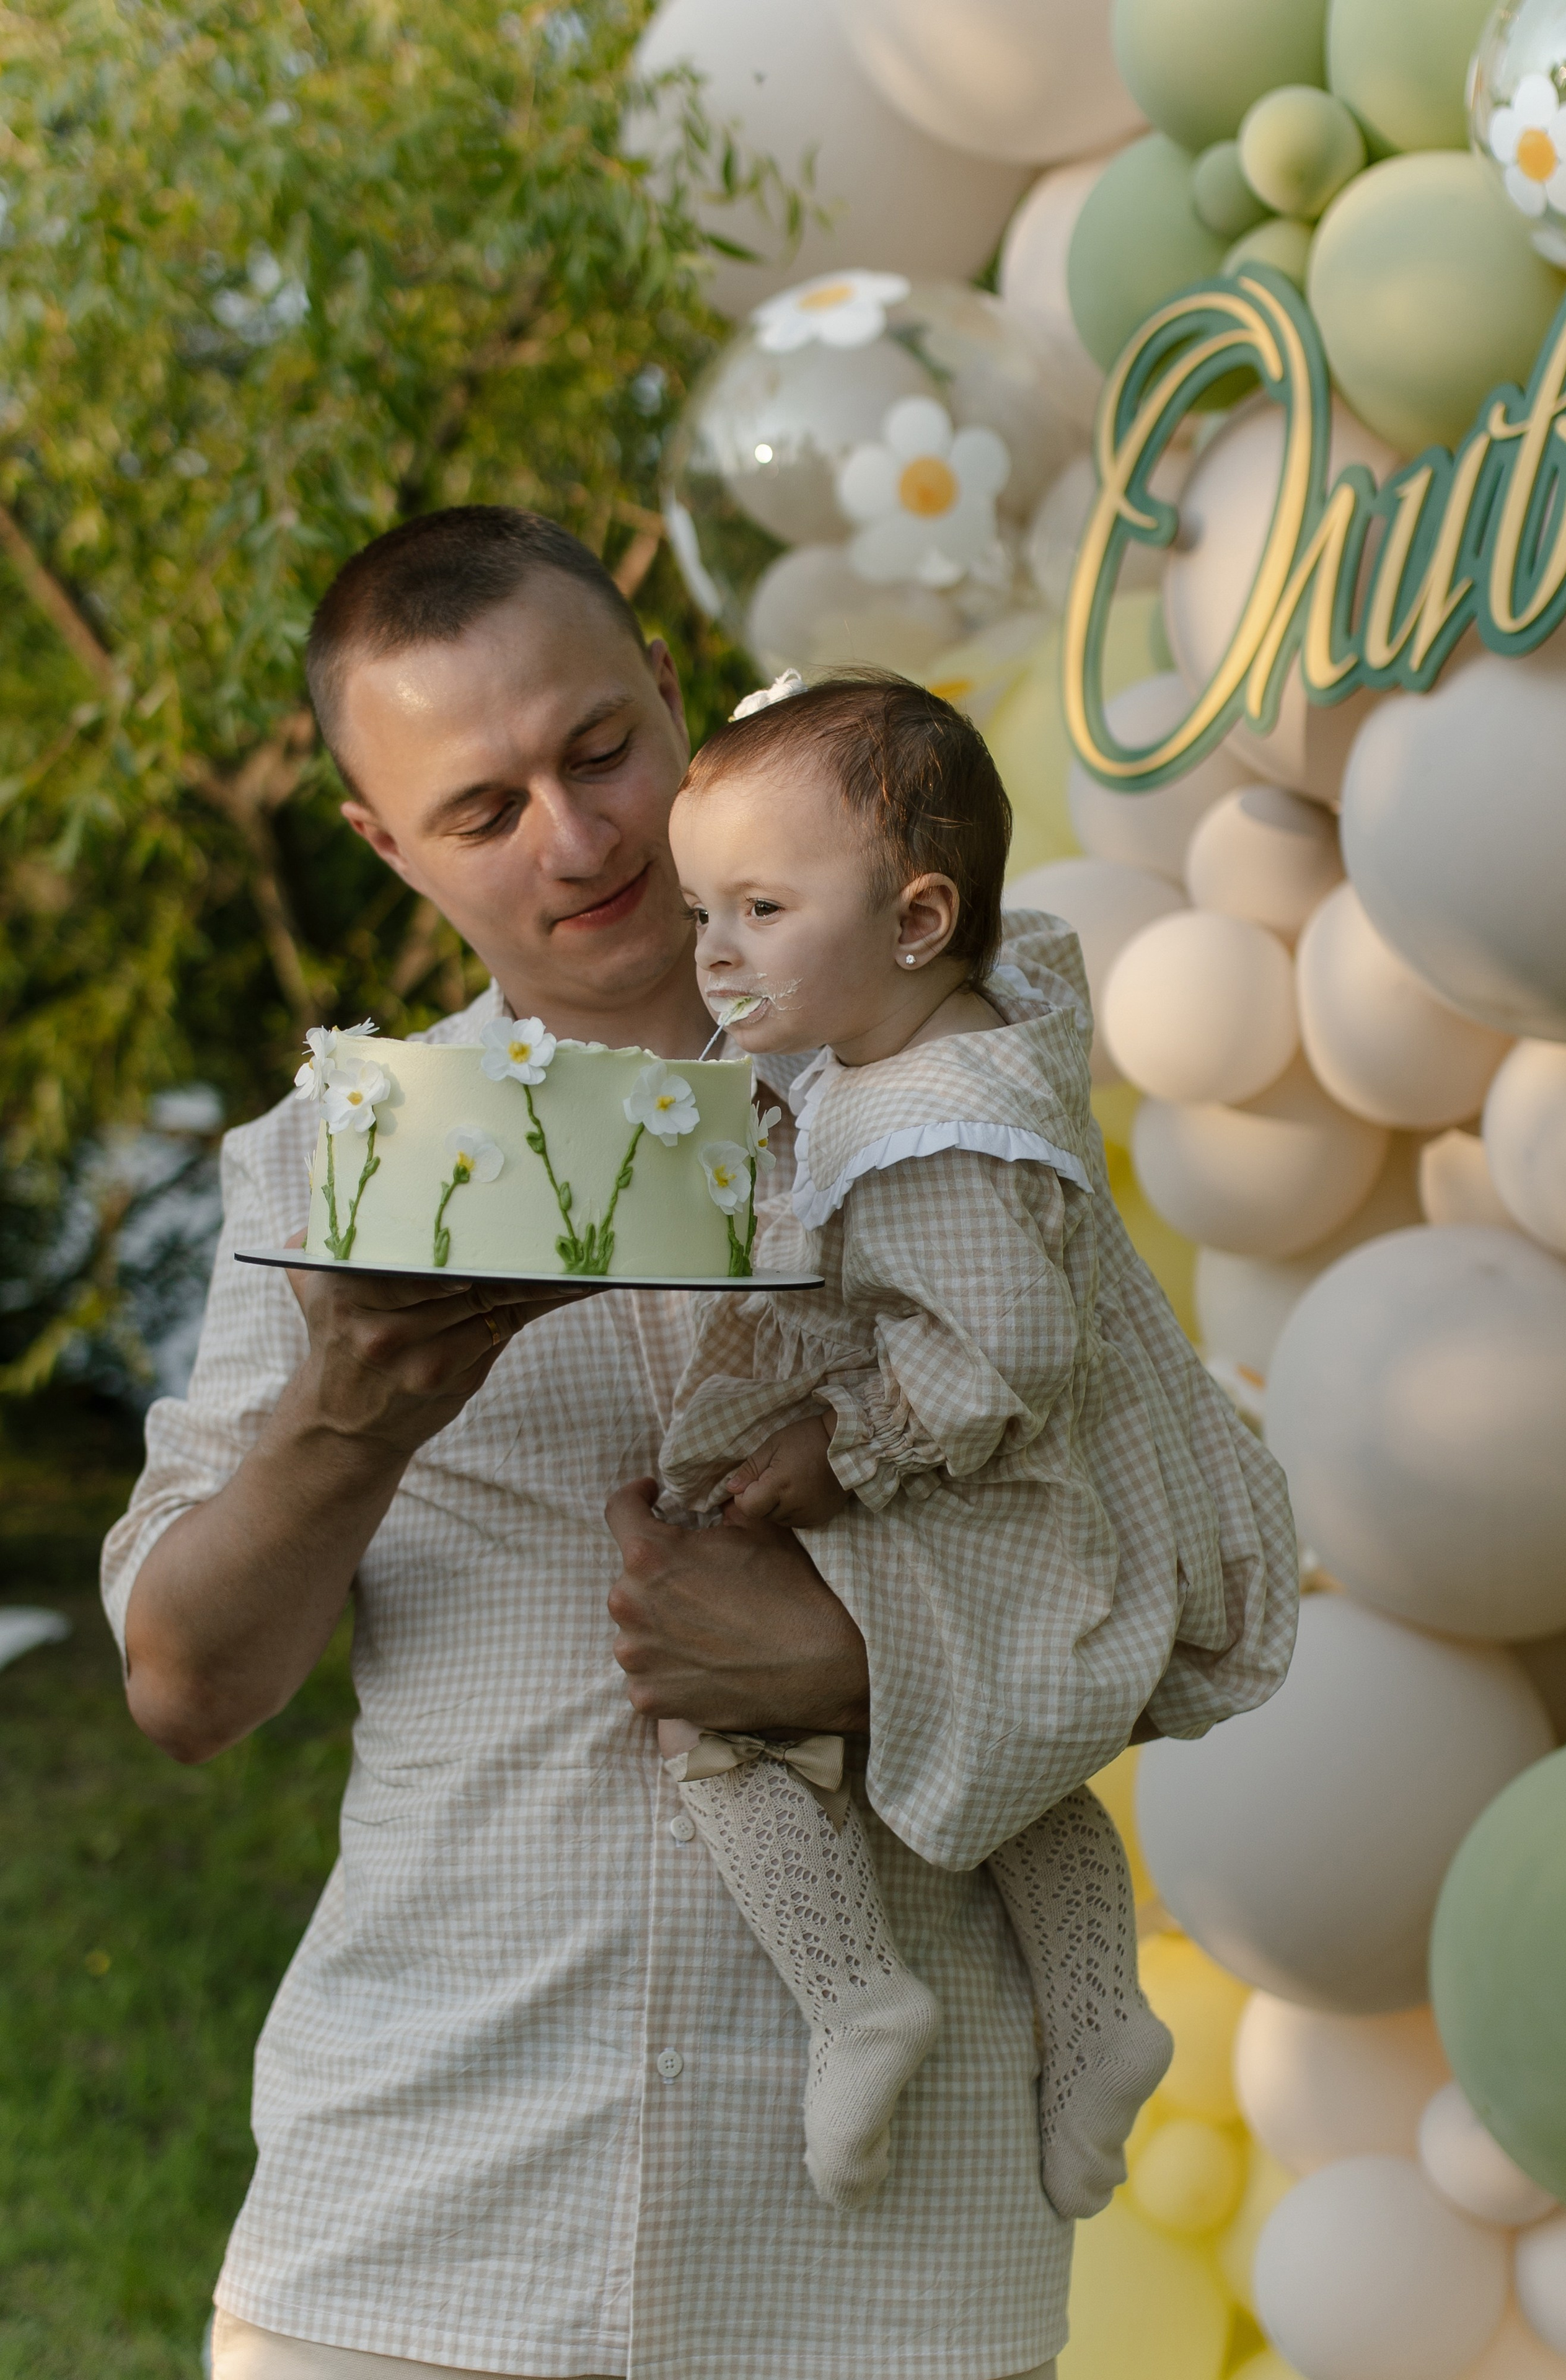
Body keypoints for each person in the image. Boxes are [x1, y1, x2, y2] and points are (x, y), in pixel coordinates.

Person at [99, 507, 1247, 2380]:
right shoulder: (321, 1168)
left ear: (671, 689)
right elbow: (183, 1687)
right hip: (419, 2214)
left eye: (601, 750)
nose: (580, 839)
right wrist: (343, 1422)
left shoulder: (968, 1104)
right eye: (481, 810)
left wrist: (865, 1655)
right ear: (384, 845)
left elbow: (1178, 1569)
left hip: (888, 2247)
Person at [653, 671, 1296, 2219]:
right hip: (1025, 1482)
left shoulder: (928, 1134)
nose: (713, 952)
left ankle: (855, 1993)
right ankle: (1097, 2018)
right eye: (701, 910)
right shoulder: (948, 1032)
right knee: (1013, 1753)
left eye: (755, 907)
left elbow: (1007, 1347)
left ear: (918, 921)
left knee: (718, 1732)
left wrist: (846, 1446)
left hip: (973, 1482)